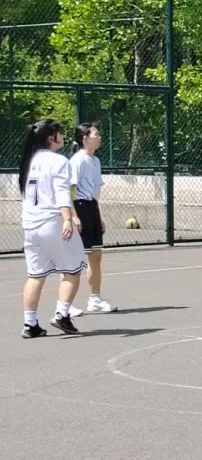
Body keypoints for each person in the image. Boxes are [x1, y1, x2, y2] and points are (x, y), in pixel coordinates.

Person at [18, 119, 86, 338]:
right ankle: (62, 314)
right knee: (72, 269)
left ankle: (30, 324)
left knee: (36, 275)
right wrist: (68, 218)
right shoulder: (58, 161)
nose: (63, 136)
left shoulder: (29, 160)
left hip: (30, 224)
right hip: (52, 221)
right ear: (51, 137)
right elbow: (62, 192)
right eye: (60, 132)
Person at [67, 122, 116, 316]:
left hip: (92, 208)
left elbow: (95, 192)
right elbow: (69, 189)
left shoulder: (95, 161)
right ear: (85, 138)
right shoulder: (77, 160)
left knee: (96, 256)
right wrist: (73, 215)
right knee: (73, 259)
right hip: (79, 207)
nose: (99, 137)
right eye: (96, 134)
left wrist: (99, 215)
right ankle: (65, 304)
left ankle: (95, 299)